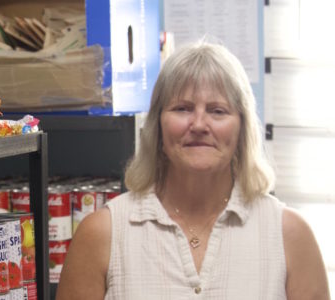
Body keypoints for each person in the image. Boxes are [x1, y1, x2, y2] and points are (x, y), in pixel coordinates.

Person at [56, 41, 330, 299]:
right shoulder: (102, 233)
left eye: (218, 111)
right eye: (182, 108)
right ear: (157, 127)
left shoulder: (290, 235)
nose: (199, 124)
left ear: (242, 129)